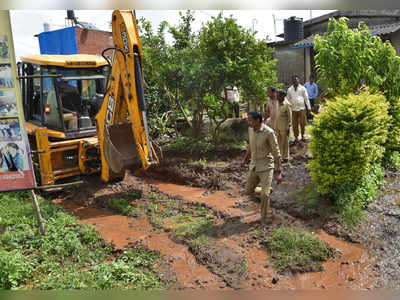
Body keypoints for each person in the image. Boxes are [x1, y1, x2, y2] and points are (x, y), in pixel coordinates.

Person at [241, 110, 282, 224]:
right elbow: (250, 145)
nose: (248, 122)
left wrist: (278, 172)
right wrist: (245, 159)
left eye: (250, 120)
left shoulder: (269, 133)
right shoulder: (250, 130)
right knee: (248, 191)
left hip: (266, 167)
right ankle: (267, 190)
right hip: (254, 165)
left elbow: (276, 152)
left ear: (258, 120)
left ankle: (263, 219)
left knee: (264, 195)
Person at [286, 75, 311, 144]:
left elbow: (306, 98)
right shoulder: (289, 89)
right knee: (294, 124)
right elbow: (287, 99)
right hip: (293, 109)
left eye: (297, 80)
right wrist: (286, 108)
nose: (296, 82)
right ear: (292, 82)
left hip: (302, 108)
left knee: (303, 123)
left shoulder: (303, 88)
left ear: (299, 81)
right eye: (294, 81)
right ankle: (296, 137)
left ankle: (303, 135)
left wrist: (309, 108)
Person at [275, 90, 292, 163]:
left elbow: (290, 117)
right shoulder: (276, 103)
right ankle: (280, 156)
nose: (277, 97)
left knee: (285, 142)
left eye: (278, 95)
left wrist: (288, 126)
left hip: (284, 127)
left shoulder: (287, 104)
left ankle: (285, 157)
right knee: (278, 142)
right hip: (277, 126)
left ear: (282, 96)